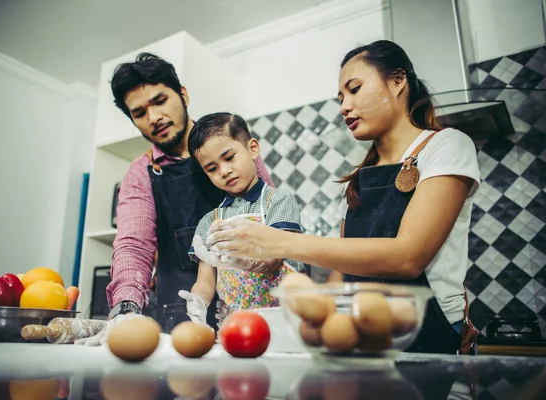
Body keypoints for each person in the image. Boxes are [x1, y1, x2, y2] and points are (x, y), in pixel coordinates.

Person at [202, 40, 481, 354]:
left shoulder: (446, 146)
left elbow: (408, 257)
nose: (344, 106)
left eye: (355, 88)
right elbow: (344, 273)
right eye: (341, 98)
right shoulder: (360, 178)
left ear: (398, 80)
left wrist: (278, 242)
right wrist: (317, 321)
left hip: (430, 336)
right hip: (361, 339)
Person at [76, 53, 275, 344]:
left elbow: (269, 220)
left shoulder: (231, 146)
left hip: (250, 312)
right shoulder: (141, 173)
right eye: (140, 112)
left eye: (159, 101)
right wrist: (126, 306)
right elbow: (134, 244)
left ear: (183, 95)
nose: (154, 118)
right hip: (180, 319)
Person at [177, 112, 306, 327]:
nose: (224, 171)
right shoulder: (210, 222)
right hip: (235, 327)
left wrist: (238, 260)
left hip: (282, 321)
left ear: (252, 148)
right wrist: (199, 300)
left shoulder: (279, 201)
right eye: (212, 168)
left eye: (229, 158)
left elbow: (274, 261)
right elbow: (205, 281)